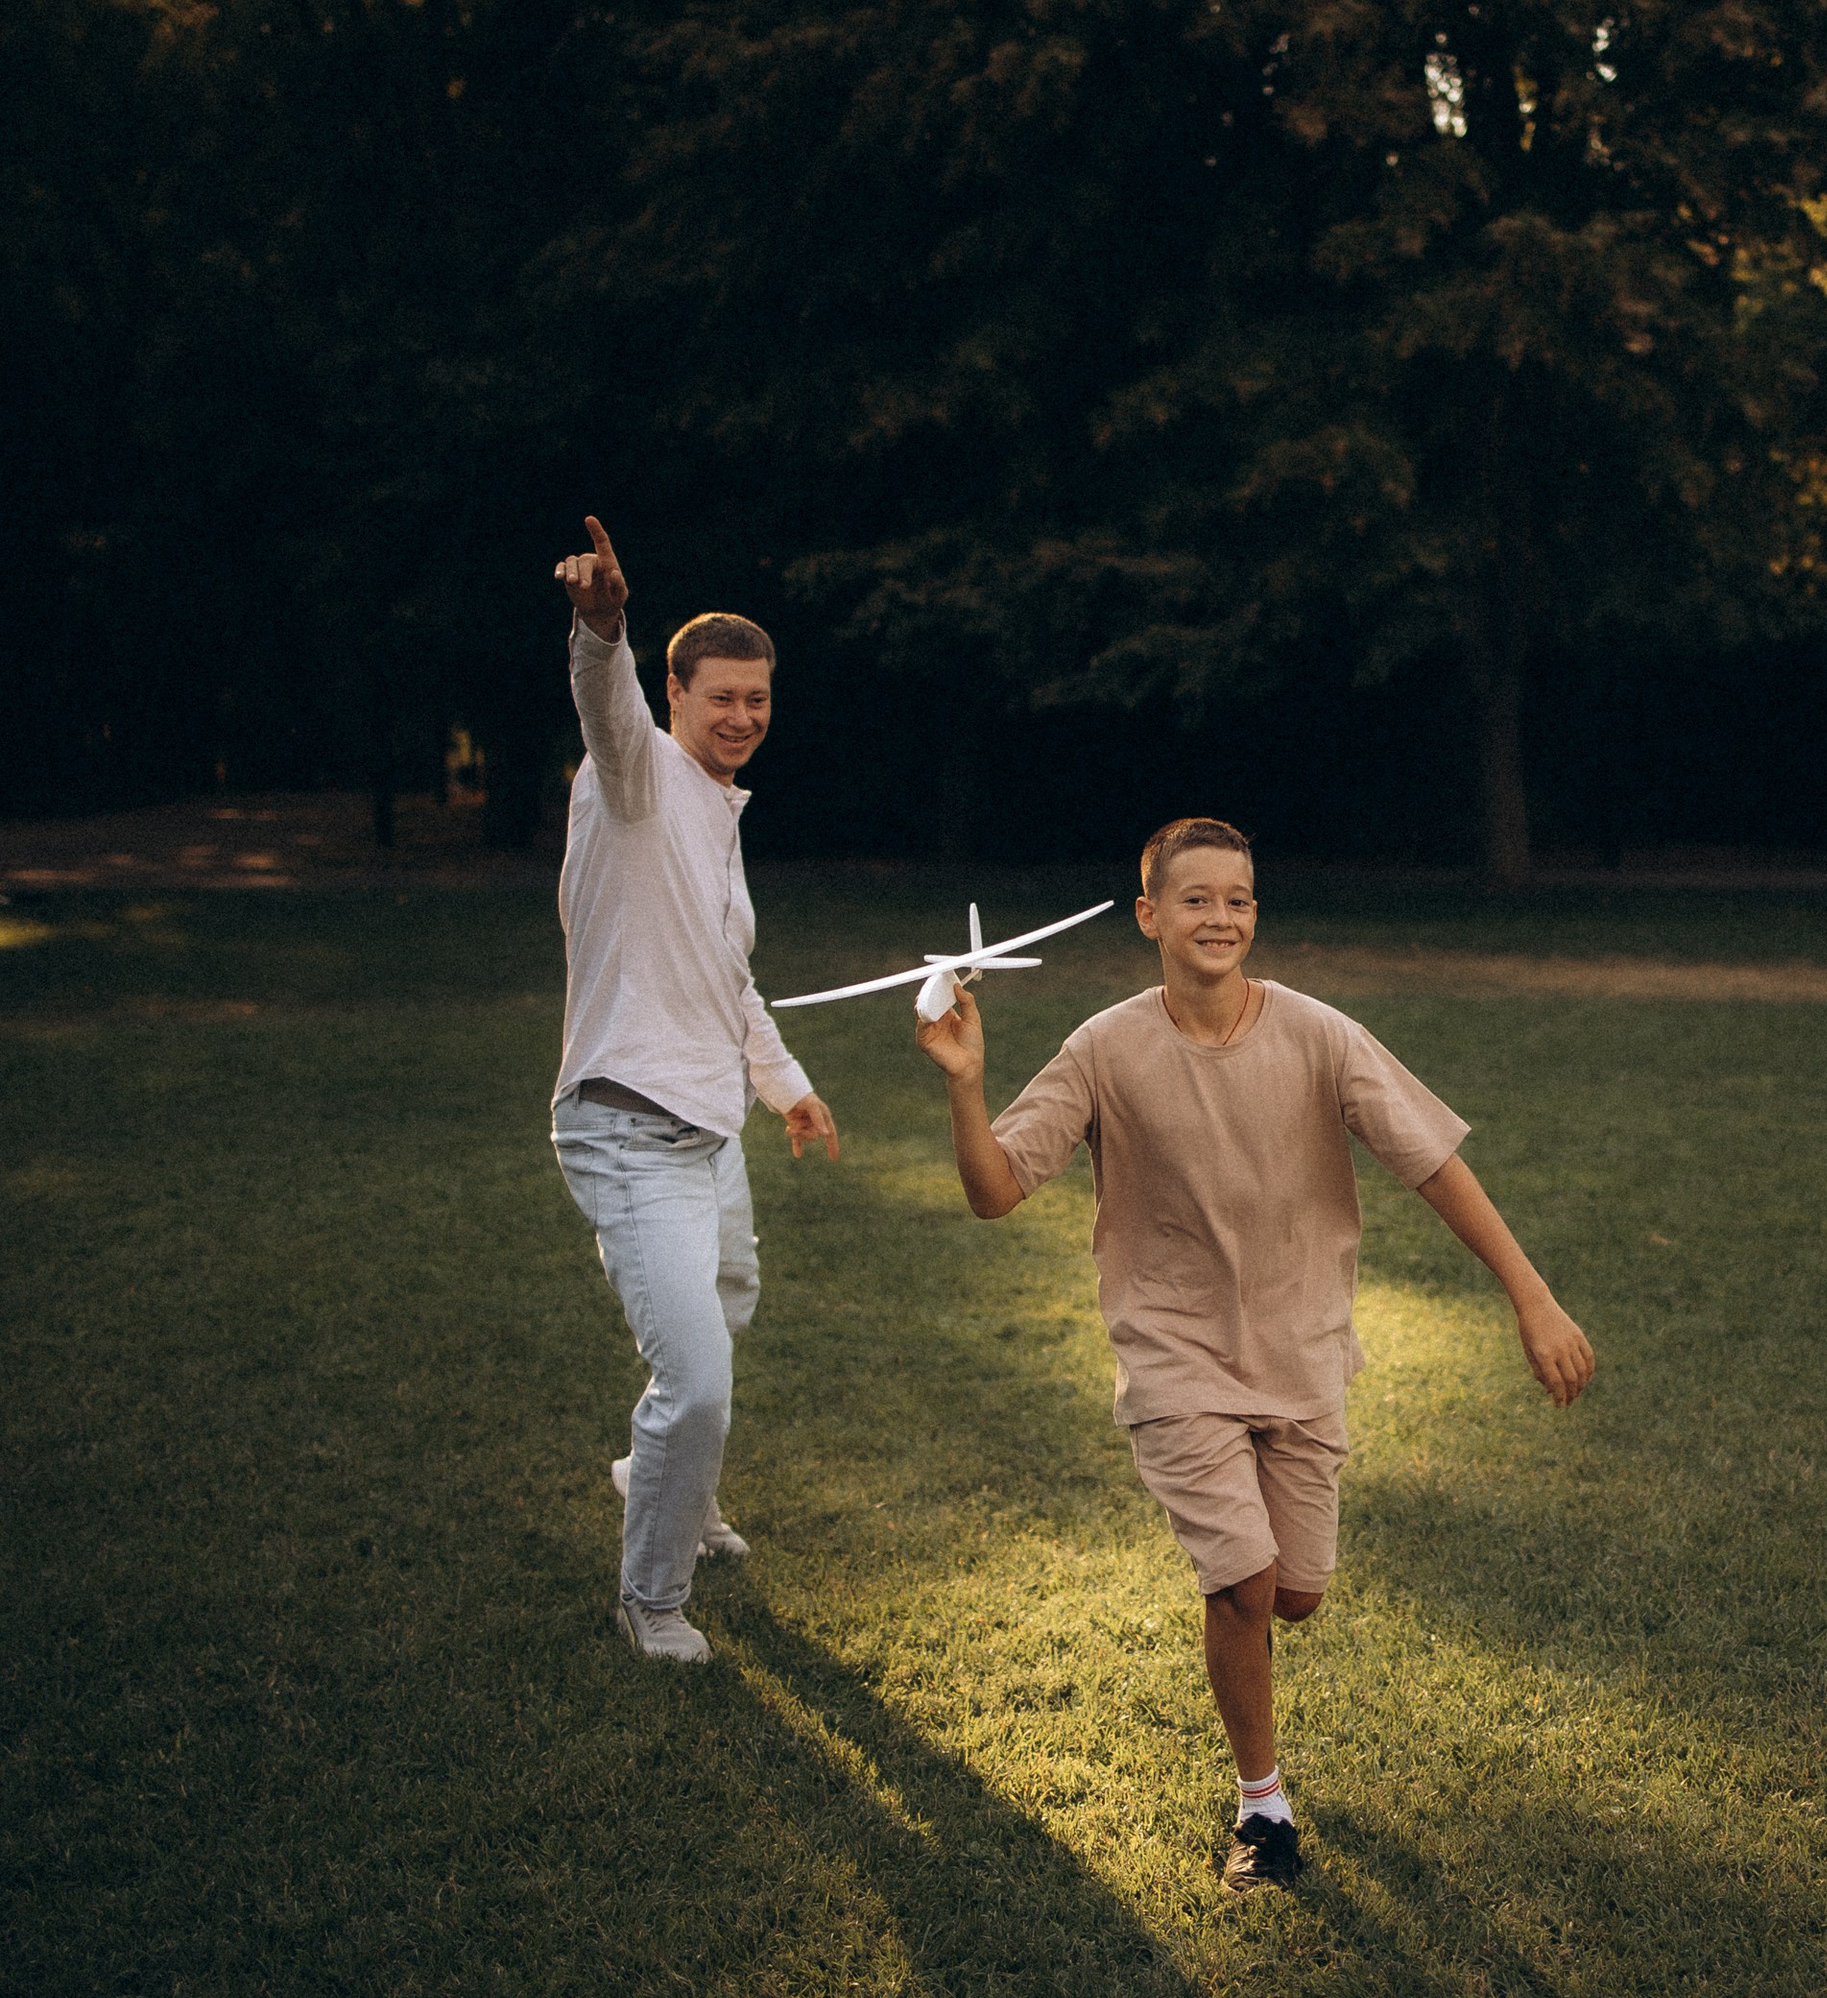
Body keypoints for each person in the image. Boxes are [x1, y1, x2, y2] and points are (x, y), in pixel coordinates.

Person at [917, 817, 1595, 1895]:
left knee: (1294, 1595)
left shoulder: (1321, 1037)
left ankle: (1256, 1651)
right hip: (1173, 1351)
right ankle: (1263, 1809)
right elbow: (995, 1192)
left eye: (1237, 899)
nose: (1218, 917)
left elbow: (1433, 1167)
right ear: (1149, 917)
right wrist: (963, 1081)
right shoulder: (1104, 1048)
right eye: (1194, 899)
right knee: (1239, 1580)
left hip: (1302, 1351)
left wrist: (1533, 1296)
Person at [550, 514, 839, 1664]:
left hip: (711, 1134)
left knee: (727, 1307)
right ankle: (651, 1598)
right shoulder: (633, 777)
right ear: (673, 691)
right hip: (626, 1127)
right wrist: (601, 622)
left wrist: (788, 1090)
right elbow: (603, 701)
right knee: (699, 1381)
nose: (742, 717)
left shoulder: (718, 817)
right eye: (721, 696)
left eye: (758, 699)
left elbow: (728, 979)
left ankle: (663, 1480)